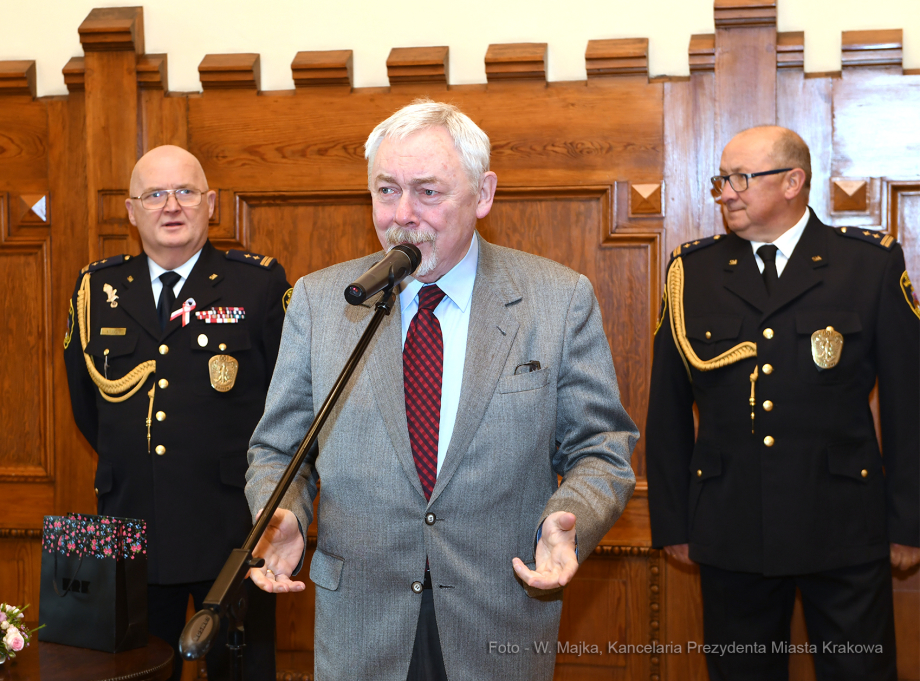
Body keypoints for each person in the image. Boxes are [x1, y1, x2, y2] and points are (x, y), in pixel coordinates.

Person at [243, 100, 638, 681]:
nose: (402, 215)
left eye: (428, 192)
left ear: (482, 194)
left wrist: (571, 514)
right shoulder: (322, 302)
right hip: (360, 627)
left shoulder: (557, 300)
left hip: (499, 616)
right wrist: (283, 514)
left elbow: (602, 446)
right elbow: (280, 451)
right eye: (385, 191)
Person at [646, 125, 920, 680]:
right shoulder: (690, 274)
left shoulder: (868, 265)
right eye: (722, 179)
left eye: (741, 178)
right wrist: (672, 521)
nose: (726, 191)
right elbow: (667, 411)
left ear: (794, 181)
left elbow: (908, 404)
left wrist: (909, 523)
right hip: (730, 529)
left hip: (843, 527)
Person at [63, 145, 288, 681]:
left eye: (186, 191)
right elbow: (85, 405)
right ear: (130, 208)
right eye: (155, 194)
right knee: (132, 673)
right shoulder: (98, 288)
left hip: (231, 530)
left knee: (240, 672)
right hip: (130, 529)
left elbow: (287, 405)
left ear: (210, 203)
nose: (172, 206)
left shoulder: (257, 284)